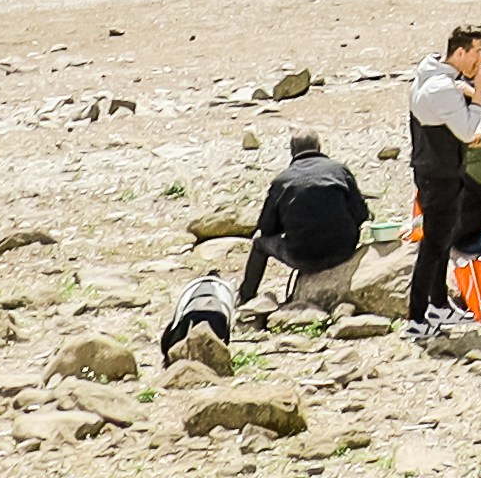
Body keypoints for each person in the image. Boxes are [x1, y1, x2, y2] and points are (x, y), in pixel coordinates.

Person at [163, 133, 380, 359]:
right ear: (319, 146)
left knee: (259, 244)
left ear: (292, 151)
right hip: (343, 250)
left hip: (301, 256)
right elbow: (361, 213)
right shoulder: (339, 170)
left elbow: (266, 228)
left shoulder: (282, 181)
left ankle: (246, 296)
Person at [402, 27, 481, 334]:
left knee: (441, 240)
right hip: (440, 175)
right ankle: (416, 318)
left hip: (430, 169)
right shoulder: (443, 88)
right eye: (477, 51)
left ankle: (438, 306)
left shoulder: (429, 74)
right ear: (460, 53)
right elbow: (469, 132)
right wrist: (478, 92)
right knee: (433, 246)